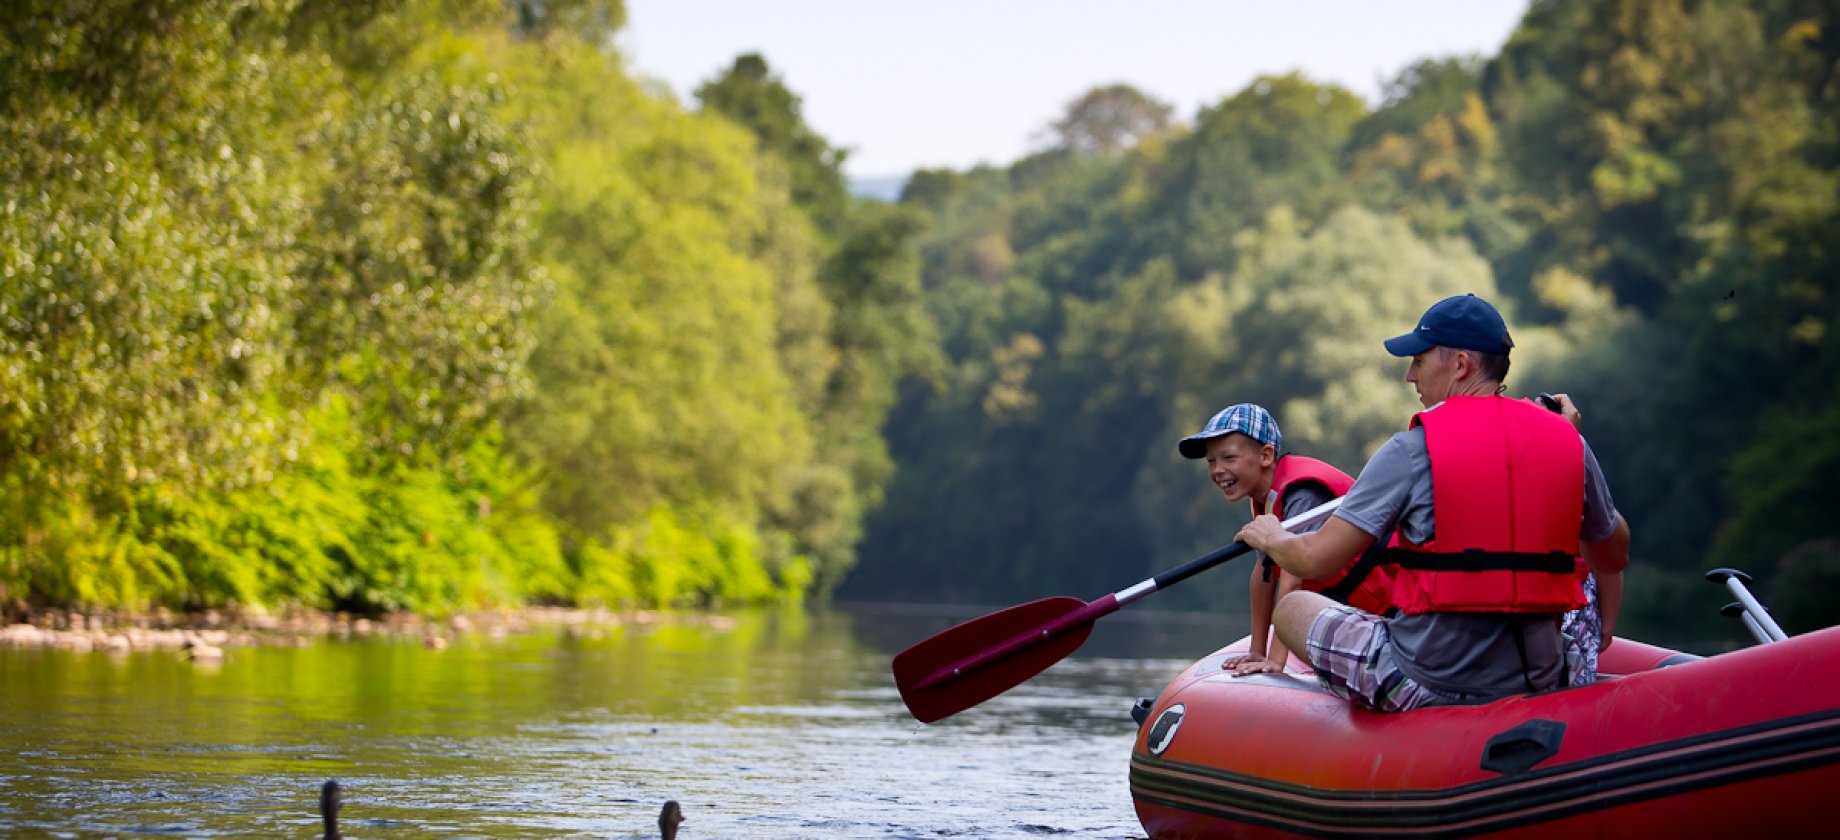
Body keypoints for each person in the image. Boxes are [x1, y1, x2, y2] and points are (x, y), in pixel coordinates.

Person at [1235, 294, 1630, 711]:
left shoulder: (1410, 450)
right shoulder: (1568, 441)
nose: (1410, 376)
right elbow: (1613, 555)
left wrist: (1272, 536)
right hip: (1537, 677)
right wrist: (1567, 451)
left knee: (1292, 607)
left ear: (1460, 365)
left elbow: (1314, 560)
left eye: (1419, 361)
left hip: (1425, 682)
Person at [1177, 403, 1393, 677]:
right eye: (1211, 462)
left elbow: (1292, 579)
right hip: (1348, 609)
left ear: (1266, 456)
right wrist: (1257, 650)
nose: (1218, 470)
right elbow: (1264, 574)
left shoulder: (1302, 495)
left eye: (1229, 458)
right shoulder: (1265, 500)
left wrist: (1276, 661)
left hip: (1389, 613)